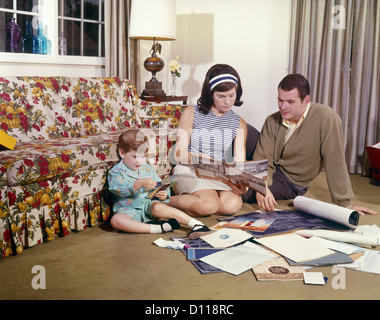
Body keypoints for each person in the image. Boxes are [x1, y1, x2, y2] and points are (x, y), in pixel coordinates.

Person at [243, 73, 378, 216]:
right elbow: (263, 158)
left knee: (243, 190)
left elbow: (335, 160)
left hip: (290, 181)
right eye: (280, 100)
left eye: (290, 102)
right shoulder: (272, 120)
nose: (283, 107)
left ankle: (224, 187)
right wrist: (261, 185)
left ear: (306, 100)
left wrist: (345, 203)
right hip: (271, 166)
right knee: (240, 127)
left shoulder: (326, 118)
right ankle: (220, 169)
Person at [169, 64, 250, 217]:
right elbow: (179, 154)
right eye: (221, 96)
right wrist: (206, 160)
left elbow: (240, 163)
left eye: (232, 95)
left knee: (233, 204)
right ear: (211, 93)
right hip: (190, 170)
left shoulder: (239, 123)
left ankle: (197, 204)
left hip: (219, 174)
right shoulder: (192, 112)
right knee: (209, 204)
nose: (227, 102)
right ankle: (161, 201)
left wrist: (243, 183)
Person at [107, 129, 211, 239]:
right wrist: (138, 183)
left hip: (149, 205)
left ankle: (196, 224)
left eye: (143, 156)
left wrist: (164, 193)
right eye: (135, 157)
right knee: (116, 221)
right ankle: (158, 229)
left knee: (159, 207)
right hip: (129, 210)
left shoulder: (147, 168)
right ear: (122, 153)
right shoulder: (115, 172)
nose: (140, 161)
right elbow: (117, 188)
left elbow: (159, 184)